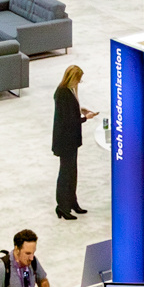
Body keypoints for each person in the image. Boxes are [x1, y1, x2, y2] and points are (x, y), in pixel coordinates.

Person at [52, 64, 95, 221]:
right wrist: (85, 118)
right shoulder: (62, 93)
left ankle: (72, 203)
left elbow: (70, 111)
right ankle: (62, 206)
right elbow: (68, 120)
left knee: (72, 173)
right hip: (65, 141)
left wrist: (80, 109)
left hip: (70, 140)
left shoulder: (68, 91)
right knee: (65, 174)